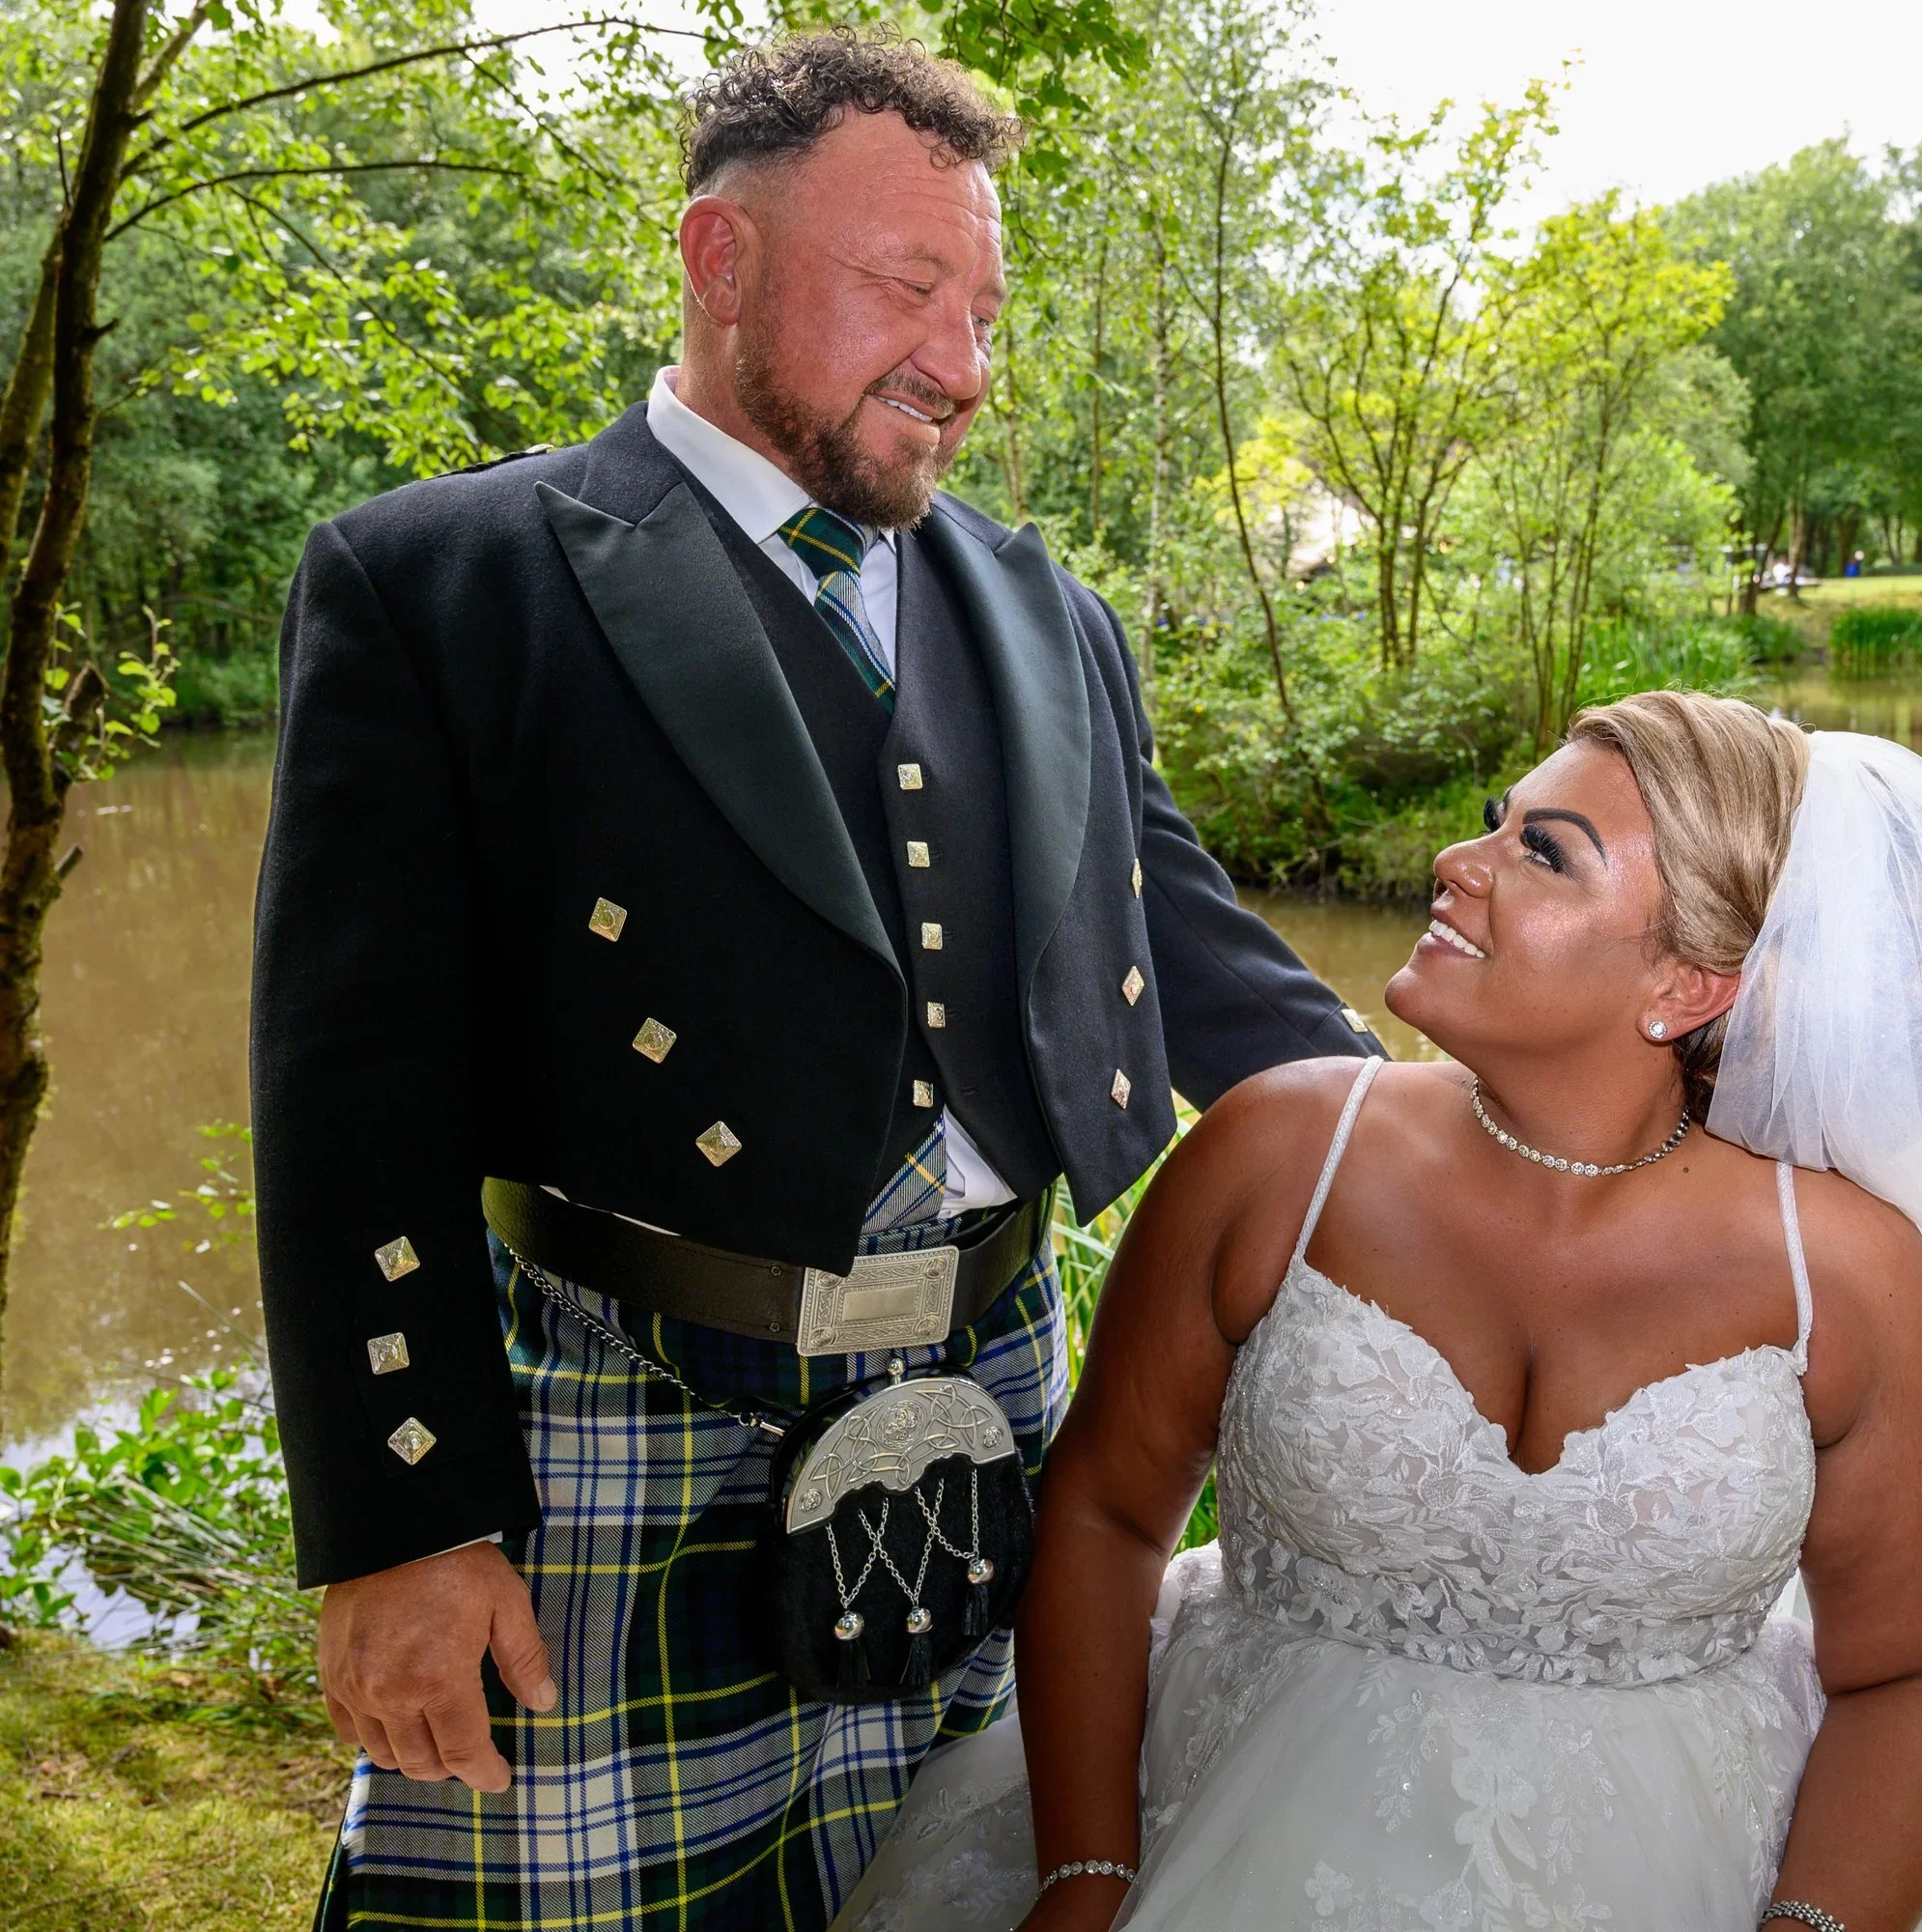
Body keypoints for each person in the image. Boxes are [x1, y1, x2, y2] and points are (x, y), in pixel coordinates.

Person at [250, 29, 1380, 1932]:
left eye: (986, 305)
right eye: (905, 288)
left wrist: (1518, 1157)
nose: (962, 361)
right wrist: (411, 1521)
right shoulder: (446, 584)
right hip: (626, 1418)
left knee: (959, 1890)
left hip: (1002, 1403)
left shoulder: (1047, 612)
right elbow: (348, 1101)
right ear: (719, 261)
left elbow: (1200, 964)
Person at [836, 691, 1922, 1932]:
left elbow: (1921, 1675)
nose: (1458, 862)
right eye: (1497, 819)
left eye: (1542, 854)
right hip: (1231, 1827)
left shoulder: (1842, 1274)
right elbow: (1108, 1513)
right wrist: (1089, 1864)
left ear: (1685, 985)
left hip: (1682, 1870)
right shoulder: (1279, 1152)